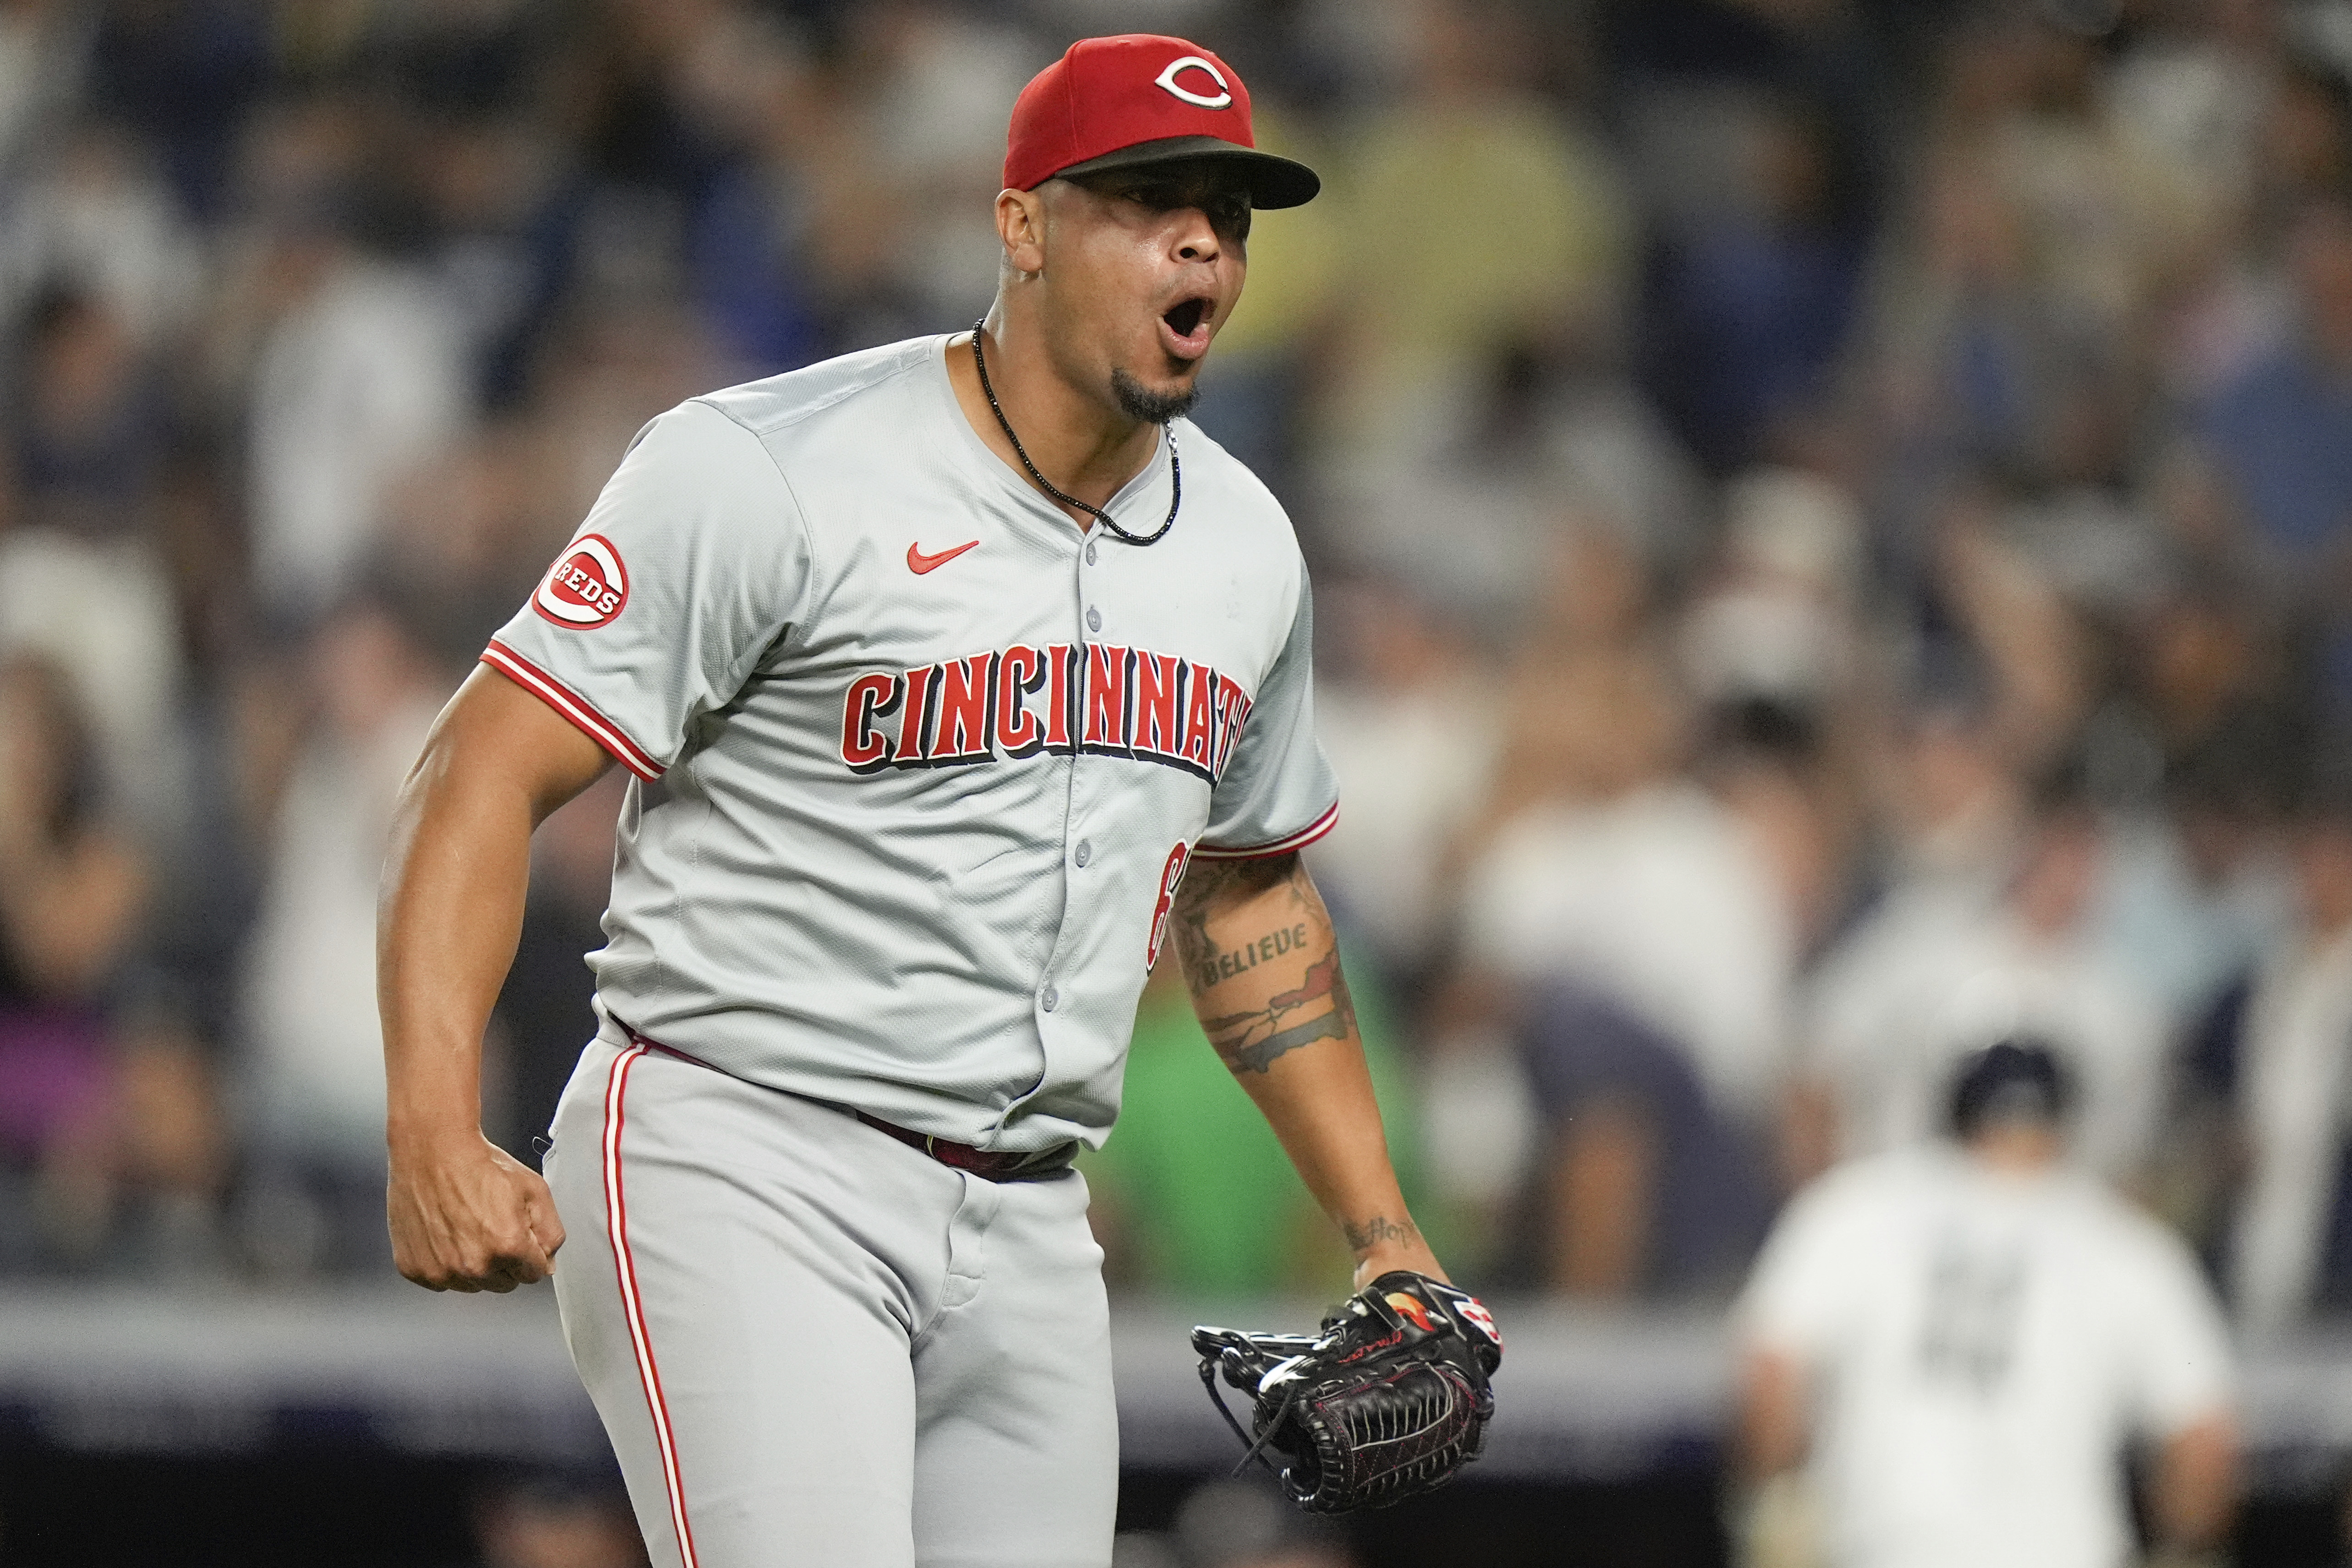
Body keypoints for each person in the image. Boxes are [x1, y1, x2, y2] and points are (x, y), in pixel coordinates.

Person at [377, 33, 1451, 1568]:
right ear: (1020, 226)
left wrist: (1383, 1232)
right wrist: (431, 1121)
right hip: (745, 1148)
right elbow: (483, 766)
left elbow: (1246, 889)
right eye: (1147, 202)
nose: (1201, 243)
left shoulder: (1242, 543)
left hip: (1029, 1217)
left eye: (1223, 213)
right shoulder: (770, 468)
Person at [1734, 1040, 2237, 1568]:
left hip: (1886, 1546)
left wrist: (1777, 1502)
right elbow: (2203, 1444)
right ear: (2062, 1120)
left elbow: (1771, 1373)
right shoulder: (2125, 1243)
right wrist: (2181, 1548)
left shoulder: (1857, 1205)